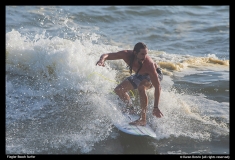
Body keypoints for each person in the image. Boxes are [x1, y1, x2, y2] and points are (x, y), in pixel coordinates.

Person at [96, 42, 163, 126]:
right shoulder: (126, 55)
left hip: (154, 74)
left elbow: (158, 87)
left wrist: (156, 107)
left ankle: (143, 120)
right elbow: (107, 55)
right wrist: (101, 60)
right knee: (119, 90)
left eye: (146, 54)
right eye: (142, 54)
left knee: (141, 87)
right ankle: (131, 109)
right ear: (135, 53)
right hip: (140, 74)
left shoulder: (149, 65)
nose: (144, 57)